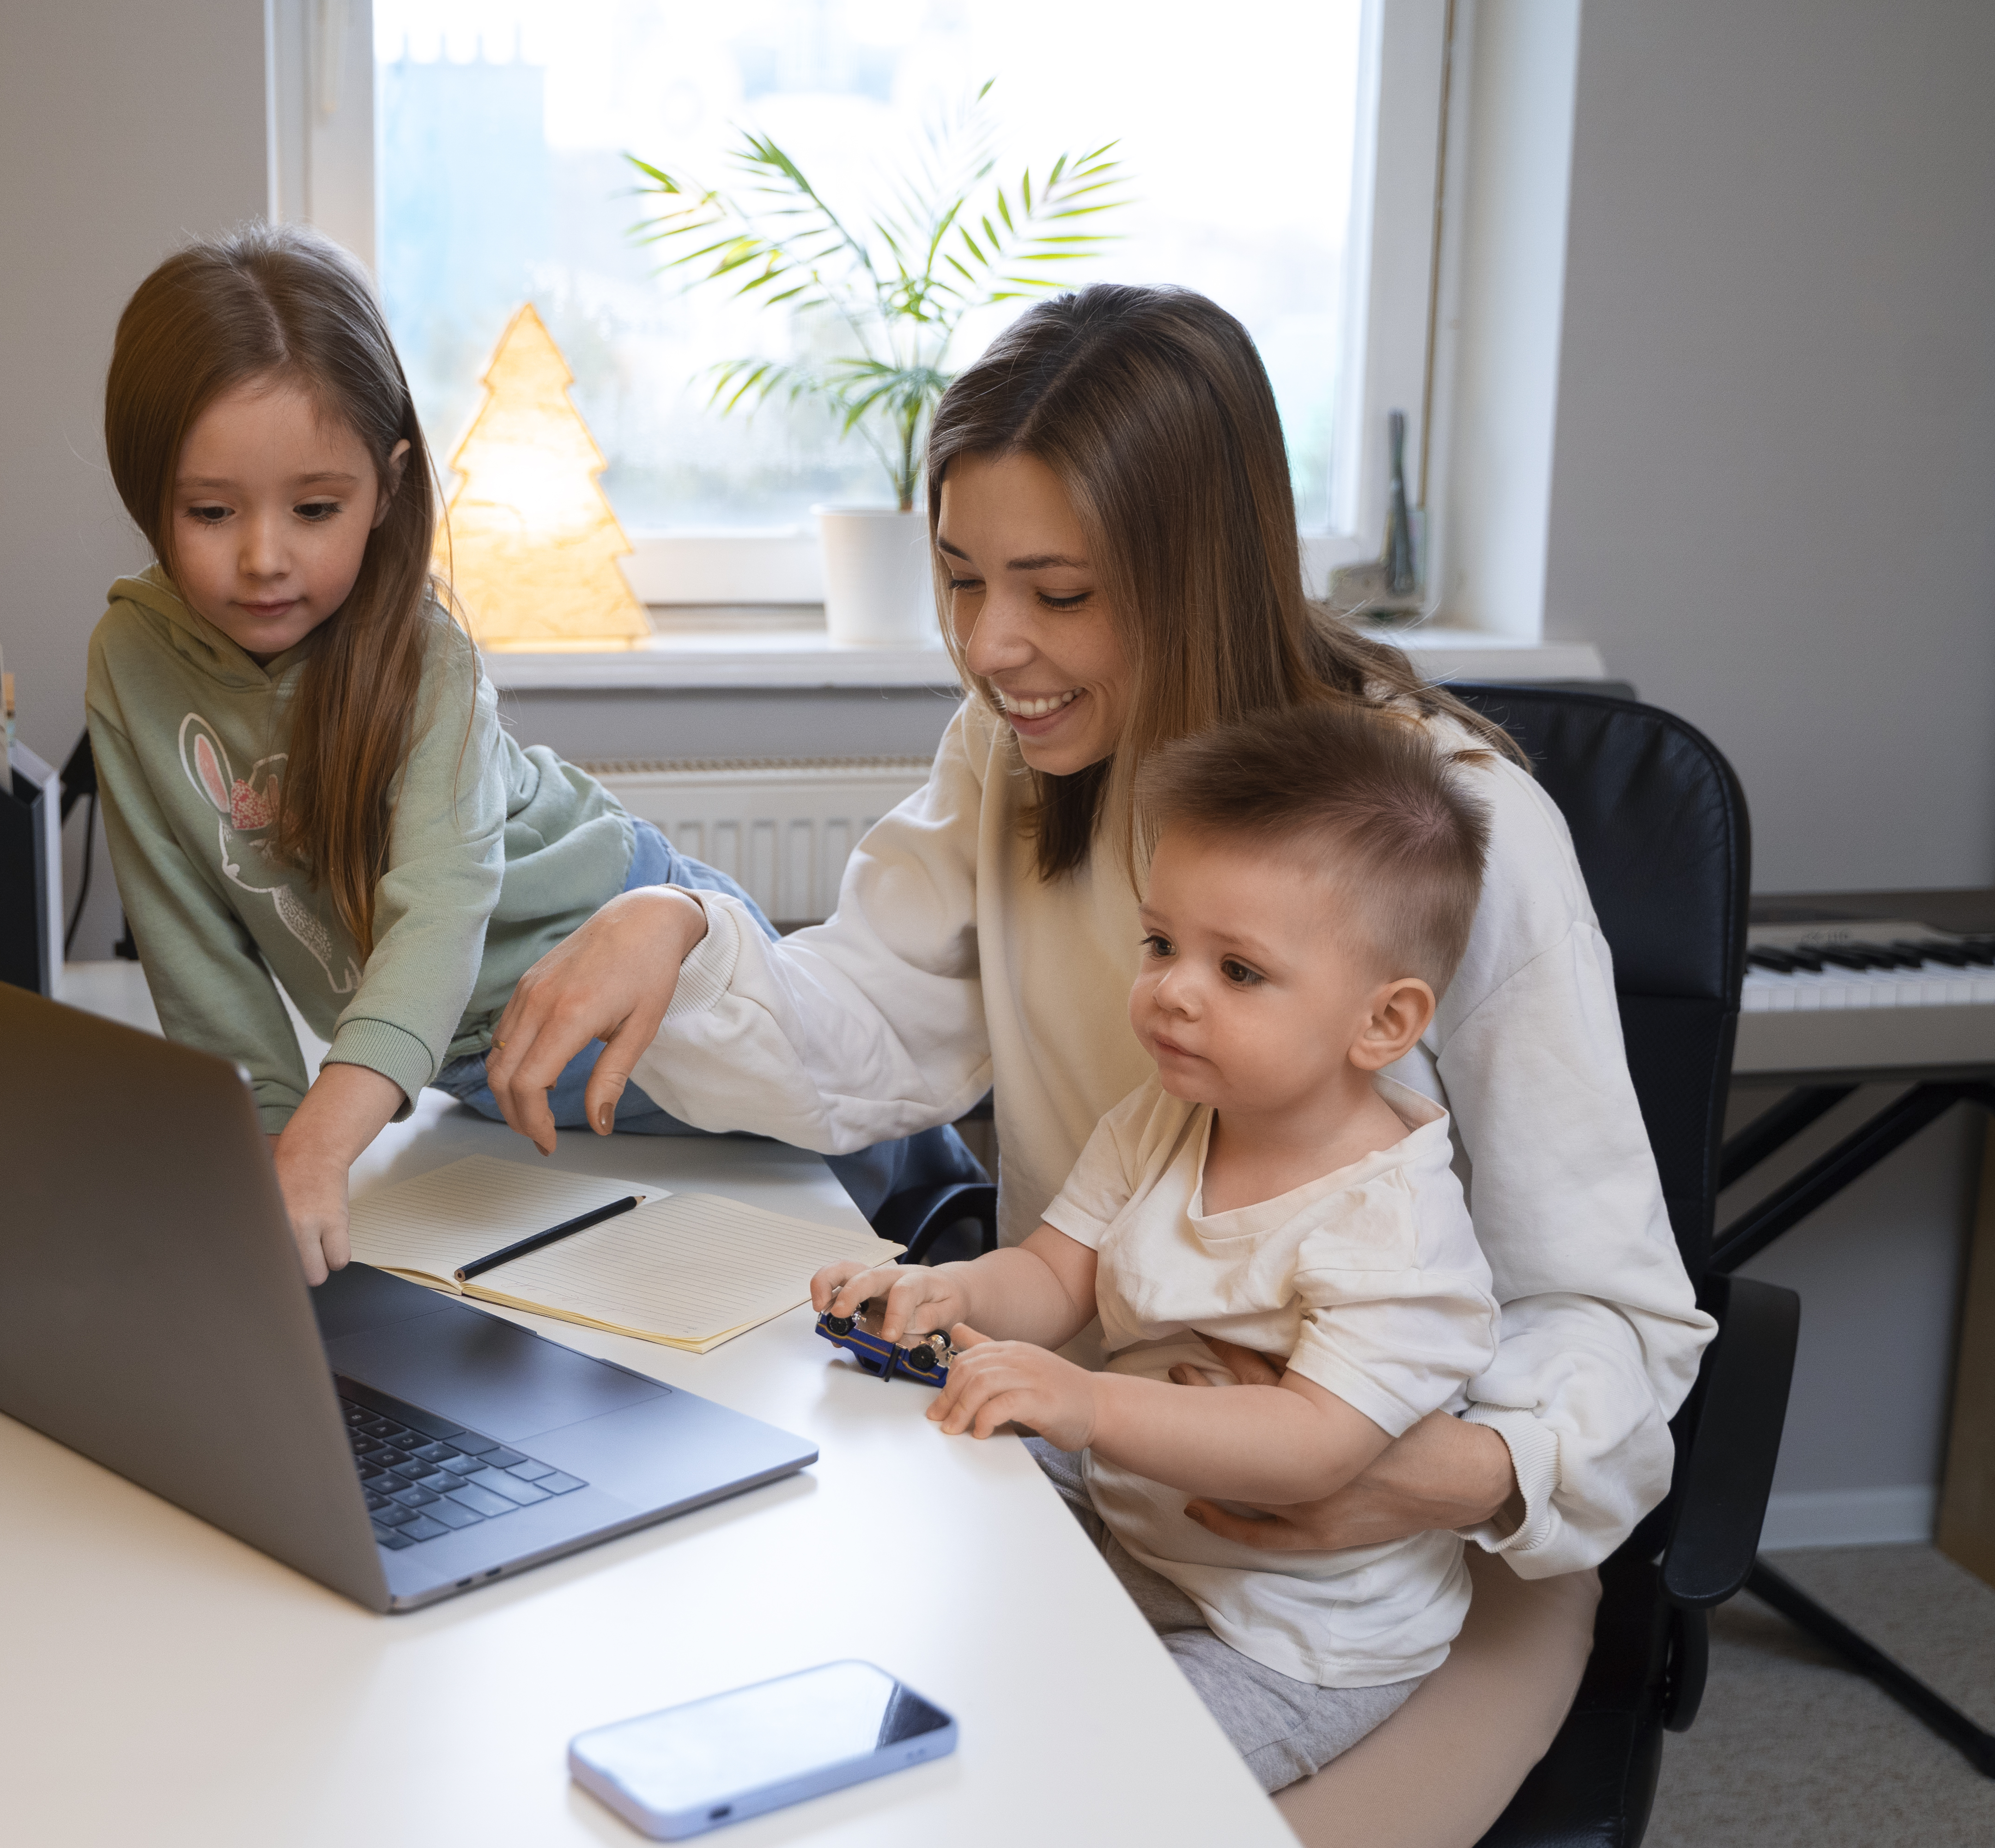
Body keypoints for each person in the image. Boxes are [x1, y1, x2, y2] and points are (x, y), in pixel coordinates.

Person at [482, 284, 1714, 1845]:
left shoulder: (1456, 831)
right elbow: (862, 1035)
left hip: (1392, 1576)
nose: (997, 648)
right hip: (1089, 1474)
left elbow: (1610, 1310)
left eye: (1058, 593)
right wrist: (678, 921)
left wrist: (1409, 1479)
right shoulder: (1019, 757)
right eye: (960, 579)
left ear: (1195, 579)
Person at [85, 223, 971, 1287]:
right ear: (146, 492)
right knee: (727, 1240)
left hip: (638, 959)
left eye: (317, 509)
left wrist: (319, 1146)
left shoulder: (426, 655)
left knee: (859, 1152)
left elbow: (437, 920)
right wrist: (274, 1157)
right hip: (481, 1060)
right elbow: (198, 959)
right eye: (211, 511)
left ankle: (976, 1228)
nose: (265, 555)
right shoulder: (129, 664)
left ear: (389, 486)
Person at [813, 704, 1500, 1791]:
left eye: (1239, 971)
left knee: (1101, 1782)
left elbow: (1316, 1445)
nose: (1174, 987)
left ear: (1383, 1022)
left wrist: (1086, 1405)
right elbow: (1051, 1273)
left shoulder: (1398, 1228)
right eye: (1162, 942)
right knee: (909, 1462)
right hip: (1131, 1518)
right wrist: (939, 1290)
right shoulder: (1165, 1116)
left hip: (1286, 1635)